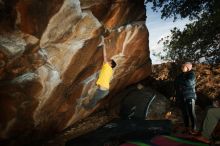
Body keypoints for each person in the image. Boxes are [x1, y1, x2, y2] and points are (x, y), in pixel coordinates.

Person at [81, 37, 117, 109]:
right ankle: (88, 105)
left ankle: (87, 107)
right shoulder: (110, 70)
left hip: (102, 91)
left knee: (93, 100)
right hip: (104, 90)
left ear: (110, 64)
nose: (108, 61)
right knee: (93, 98)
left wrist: (104, 44)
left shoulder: (107, 67)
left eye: (110, 61)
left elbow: (105, 56)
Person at [175, 62, 197, 134]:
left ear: (188, 67)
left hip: (189, 96)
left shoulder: (191, 74)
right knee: (185, 113)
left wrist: (180, 82)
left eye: (183, 66)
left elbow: (189, 83)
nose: (182, 67)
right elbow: (175, 84)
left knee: (191, 113)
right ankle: (187, 128)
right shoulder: (180, 75)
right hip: (181, 97)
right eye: (182, 66)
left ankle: (194, 128)